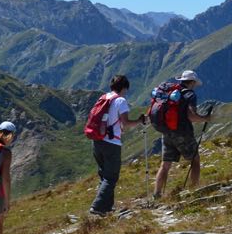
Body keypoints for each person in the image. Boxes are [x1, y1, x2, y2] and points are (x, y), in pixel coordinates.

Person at [90, 75, 147, 216]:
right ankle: (97, 206)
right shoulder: (120, 101)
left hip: (97, 140)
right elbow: (126, 123)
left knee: (104, 176)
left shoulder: (104, 98)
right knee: (111, 177)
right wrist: (140, 121)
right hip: (112, 143)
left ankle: (107, 208)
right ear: (124, 87)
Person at [153, 70, 212, 198]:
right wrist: (205, 119)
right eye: (195, 83)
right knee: (195, 160)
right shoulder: (190, 95)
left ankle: (157, 194)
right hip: (182, 132)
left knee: (165, 164)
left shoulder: (172, 93)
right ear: (191, 82)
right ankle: (194, 190)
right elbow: (191, 116)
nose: (195, 85)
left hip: (167, 132)